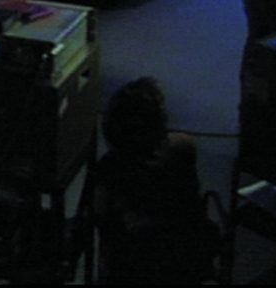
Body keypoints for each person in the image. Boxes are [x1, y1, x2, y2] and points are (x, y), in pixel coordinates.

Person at [92, 77, 220, 285]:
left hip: (130, 271)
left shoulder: (110, 168)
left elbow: (101, 219)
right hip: (187, 265)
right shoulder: (184, 147)